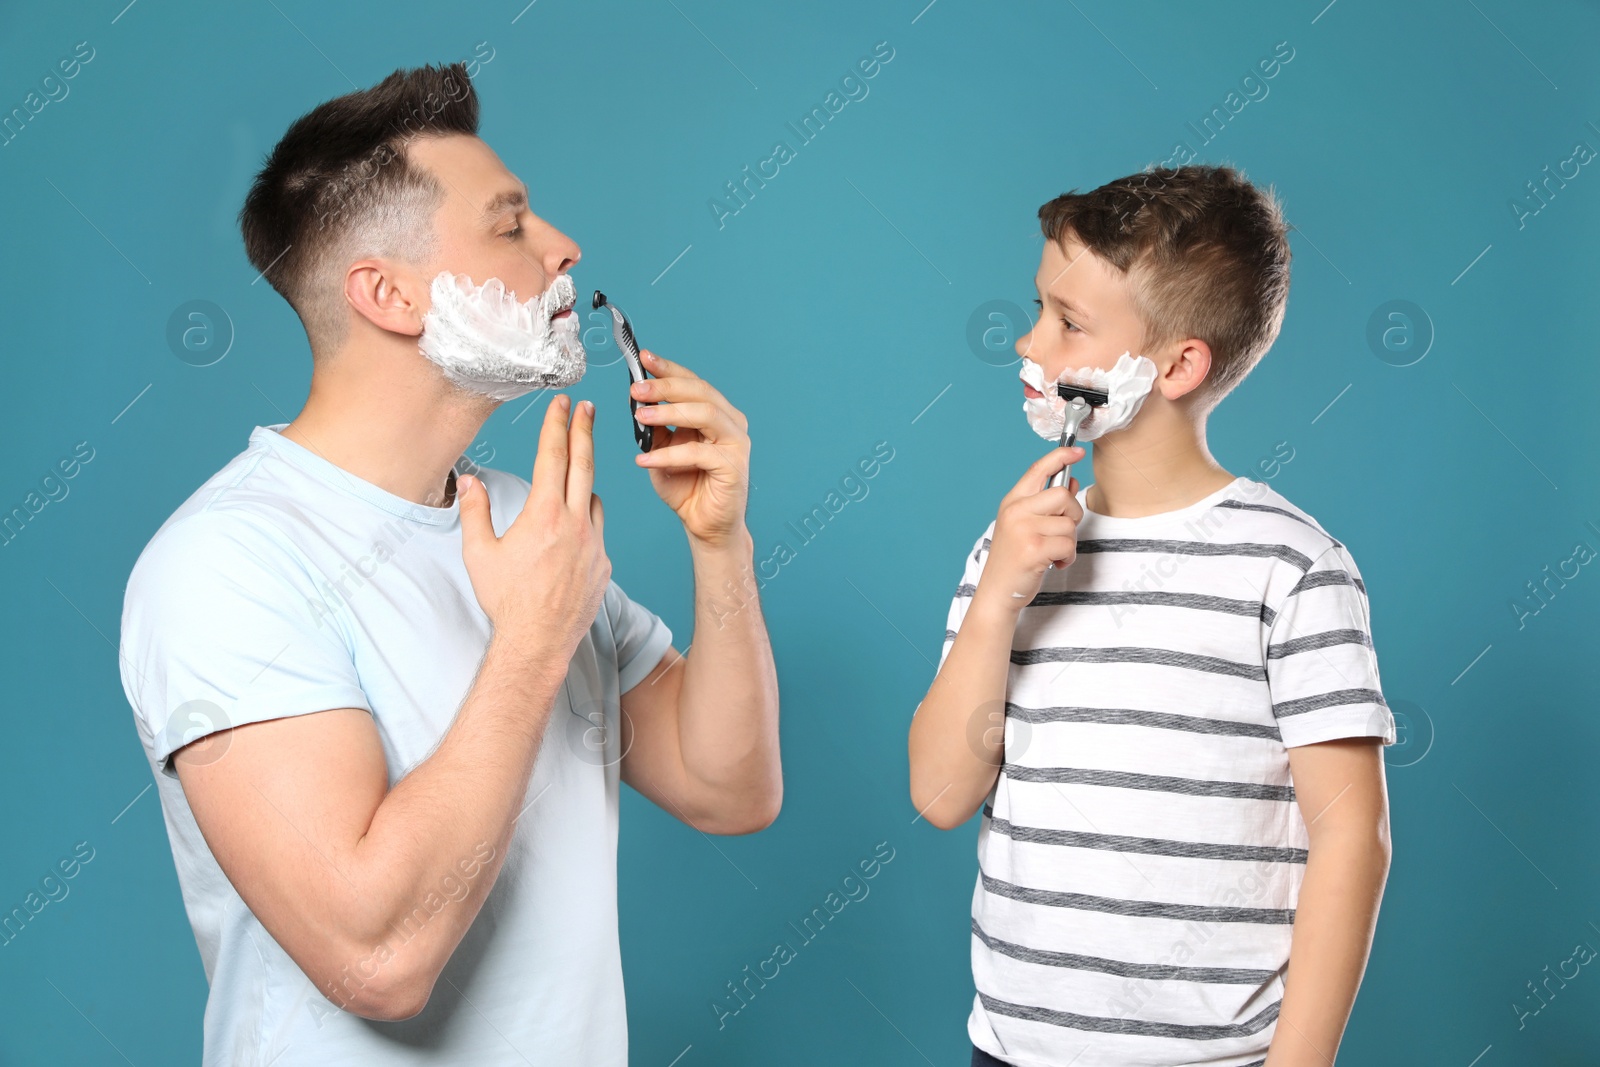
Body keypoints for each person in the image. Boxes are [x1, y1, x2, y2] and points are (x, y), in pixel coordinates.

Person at [118, 62, 780, 1066]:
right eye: (510, 226)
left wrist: (718, 544)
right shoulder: (223, 564)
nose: (564, 247)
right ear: (386, 293)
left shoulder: (524, 523)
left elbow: (726, 787)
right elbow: (375, 957)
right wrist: (531, 639)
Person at [909, 165, 1393, 1067]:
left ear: (1176, 365)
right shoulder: (1007, 548)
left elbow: (1349, 837)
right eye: (1040, 308)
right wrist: (995, 604)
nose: (1028, 339)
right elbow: (940, 794)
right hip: (1011, 1051)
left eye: (1068, 323)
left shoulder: (1292, 570)